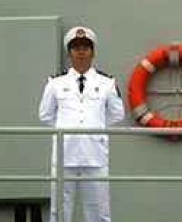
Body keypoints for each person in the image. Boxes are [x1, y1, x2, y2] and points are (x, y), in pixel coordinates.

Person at [38, 26, 125, 222]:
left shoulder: (106, 83)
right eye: (76, 47)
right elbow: (45, 115)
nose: (81, 51)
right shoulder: (55, 83)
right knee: (60, 210)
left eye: (86, 47)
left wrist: (95, 129)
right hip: (64, 152)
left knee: (99, 210)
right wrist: (67, 130)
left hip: (94, 153)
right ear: (69, 53)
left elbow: (116, 115)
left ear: (93, 51)